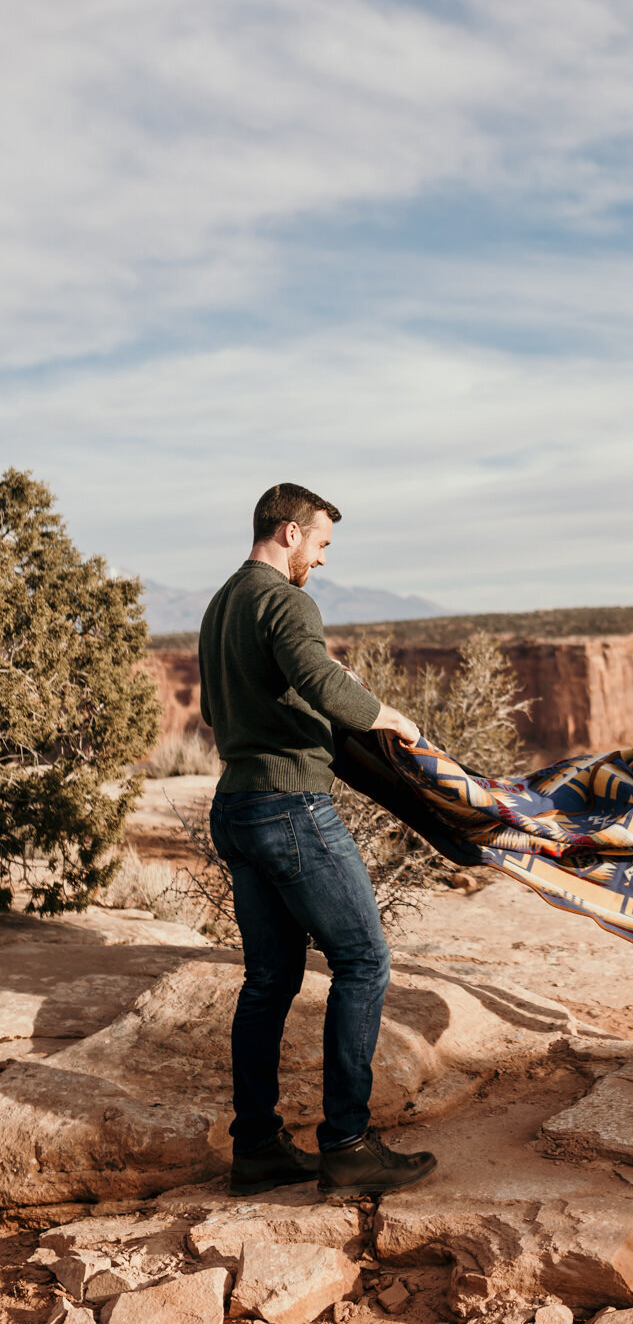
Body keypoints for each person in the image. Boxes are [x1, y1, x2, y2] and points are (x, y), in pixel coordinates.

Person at [200, 481, 438, 1197]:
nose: (324, 561)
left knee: (270, 979)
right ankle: (347, 1145)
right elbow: (319, 679)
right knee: (364, 961)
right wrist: (386, 715)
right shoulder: (285, 600)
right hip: (289, 805)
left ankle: (258, 1149)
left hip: (236, 805)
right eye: (323, 544)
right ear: (289, 533)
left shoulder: (220, 606)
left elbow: (216, 710)